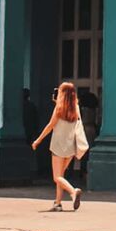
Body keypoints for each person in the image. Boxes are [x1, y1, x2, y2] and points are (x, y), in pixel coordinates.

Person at [31, 80, 87, 211]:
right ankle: (57, 203)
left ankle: (73, 192)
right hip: (71, 147)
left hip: (58, 145)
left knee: (56, 177)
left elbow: (50, 126)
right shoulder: (76, 108)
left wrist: (38, 140)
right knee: (61, 176)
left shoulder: (59, 108)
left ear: (62, 94)